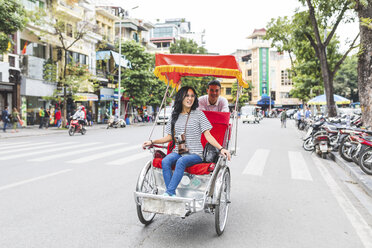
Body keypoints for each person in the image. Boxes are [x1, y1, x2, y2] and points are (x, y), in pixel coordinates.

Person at [142, 86, 231, 197]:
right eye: (187, 95)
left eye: (192, 96)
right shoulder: (174, 116)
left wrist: (221, 148)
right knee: (165, 161)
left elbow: (208, 135)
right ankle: (172, 193)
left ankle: (169, 193)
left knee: (182, 161)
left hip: (195, 154)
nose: (190, 98)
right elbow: (169, 137)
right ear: (181, 98)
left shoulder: (199, 115)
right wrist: (152, 141)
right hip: (177, 152)